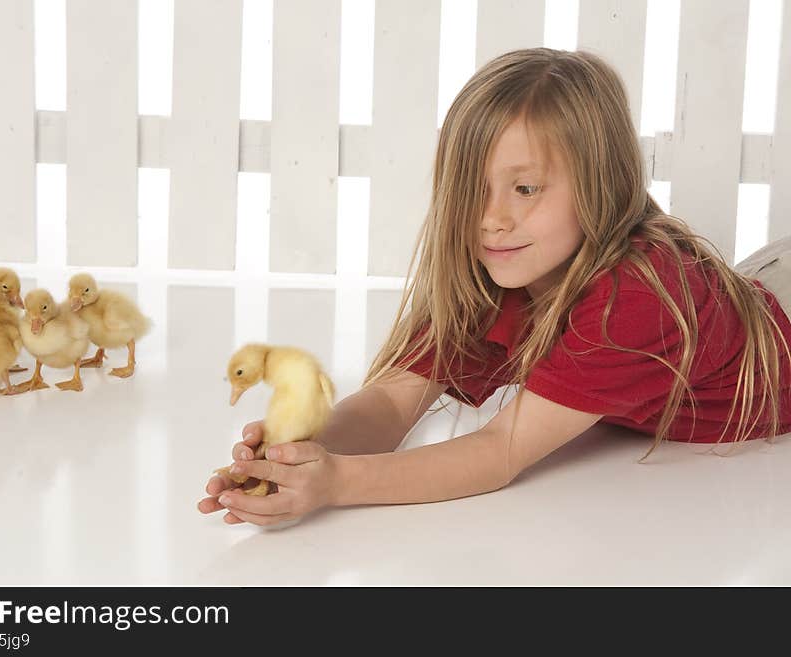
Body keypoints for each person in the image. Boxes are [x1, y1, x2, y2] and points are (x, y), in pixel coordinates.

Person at [198, 48, 791, 527]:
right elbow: (391, 400)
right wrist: (298, 454)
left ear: (602, 185)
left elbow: (499, 450)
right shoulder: (498, 274)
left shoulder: (633, 298)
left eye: (525, 189)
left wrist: (336, 485)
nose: (491, 218)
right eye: (472, 189)